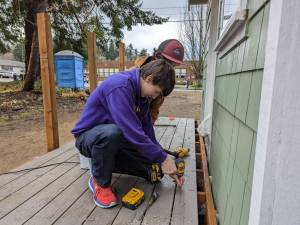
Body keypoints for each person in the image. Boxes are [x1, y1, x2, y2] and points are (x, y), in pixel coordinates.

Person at [71, 59, 184, 209]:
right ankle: (100, 182)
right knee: (112, 133)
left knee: (152, 168)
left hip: (114, 139)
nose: (155, 97)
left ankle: (106, 165)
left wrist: (162, 160)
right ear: (149, 79)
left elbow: (147, 132)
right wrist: (163, 158)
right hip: (89, 138)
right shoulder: (120, 86)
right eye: (157, 92)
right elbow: (131, 131)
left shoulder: (142, 96)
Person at [133, 39, 184, 123]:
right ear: (157, 56)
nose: (170, 68)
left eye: (173, 65)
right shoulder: (133, 76)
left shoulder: (162, 79)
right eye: (168, 63)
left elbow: (153, 111)